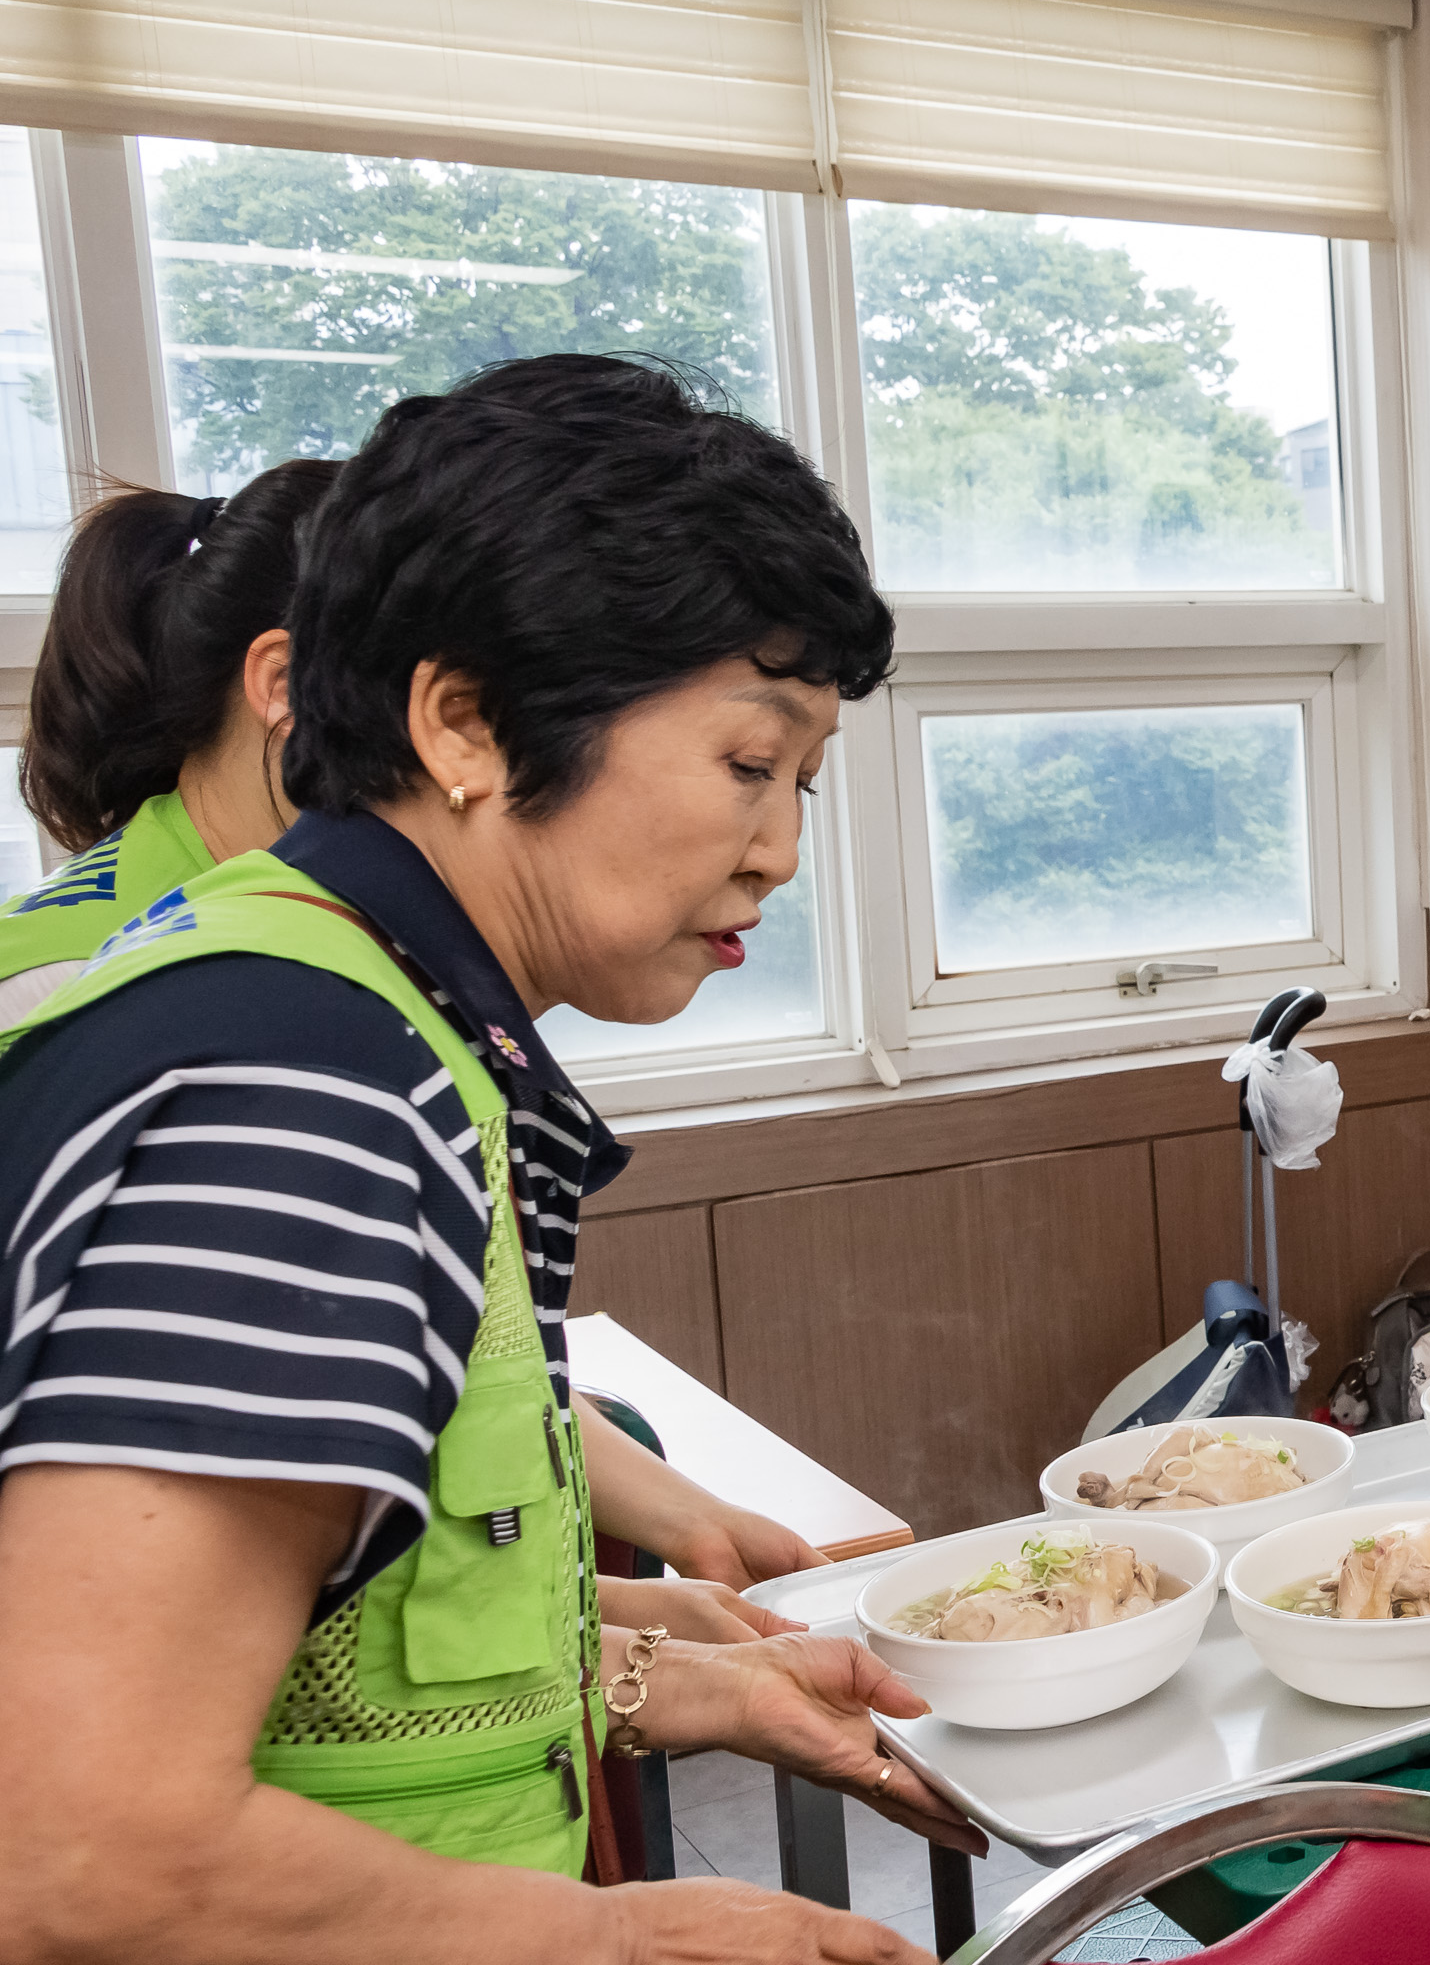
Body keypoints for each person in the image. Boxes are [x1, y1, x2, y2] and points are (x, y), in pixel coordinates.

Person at [0, 353, 977, 1961]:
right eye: (749, 761)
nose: (781, 849)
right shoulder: (300, 1098)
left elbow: (315, 1655)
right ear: (461, 721)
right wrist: (630, 1941)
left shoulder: (365, 1022)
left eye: (806, 780)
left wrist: (672, 1679)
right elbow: (95, 1857)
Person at [4, 463, 825, 1645]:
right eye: (748, 765)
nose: (779, 853)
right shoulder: (257, 1048)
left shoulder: (375, 978)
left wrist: (626, 1626)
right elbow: (112, 1776)